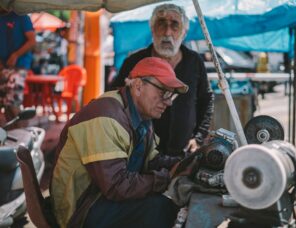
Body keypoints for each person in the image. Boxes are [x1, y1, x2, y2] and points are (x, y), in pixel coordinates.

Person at [50, 57, 199, 227]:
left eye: (171, 96)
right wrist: (166, 179)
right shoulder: (105, 117)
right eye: (163, 92)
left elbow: (150, 161)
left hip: (100, 195)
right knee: (160, 208)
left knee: (166, 203)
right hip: (81, 209)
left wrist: (182, 163)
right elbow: (116, 186)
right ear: (138, 86)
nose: (168, 102)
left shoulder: (142, 117)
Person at [111, 3, 214, 156]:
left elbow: (206, 99)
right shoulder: (134, 62)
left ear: (184, 32)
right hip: (141, 153)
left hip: (183, 151)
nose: (167, 32)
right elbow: (116, 100)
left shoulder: (194, 61)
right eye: (161, 24)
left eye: (174, 26)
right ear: (152, 29)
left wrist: (198, 138)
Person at [0, 7, 36, 121]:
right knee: (5, 104)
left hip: (19, 65)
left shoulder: (21, 16)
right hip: (3, 66)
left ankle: (20, 134)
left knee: (12, 103)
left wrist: (16, 55)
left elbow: (32, 40)